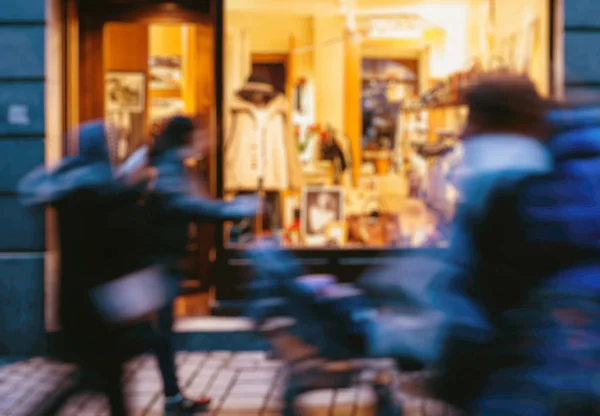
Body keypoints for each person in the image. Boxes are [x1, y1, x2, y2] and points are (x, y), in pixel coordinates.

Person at [424, 73, 556, 412]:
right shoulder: (550, 163)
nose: (464, 131)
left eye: (470, 117)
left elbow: (469, 284)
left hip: (512, 378)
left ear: (483, 119)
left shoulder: (491, 171)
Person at [20, 121, 168, 416]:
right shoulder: (101, 191)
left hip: (78, 301)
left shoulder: (69, 186)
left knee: (102, 380)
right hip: (102, 306)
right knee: (102, 379)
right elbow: (120, 239)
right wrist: (137, 189)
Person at [142, 115, 259, 414]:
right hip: (156, 264)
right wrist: (233, 209)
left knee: (159, 332)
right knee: (157, 333)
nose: (204, 141)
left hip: (160, 262)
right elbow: (188, 205)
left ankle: (171, 395)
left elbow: (190, 203)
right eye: (198, 136)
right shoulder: (170, 167)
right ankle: (169, 397)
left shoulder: (172, 164)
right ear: (185, 138)